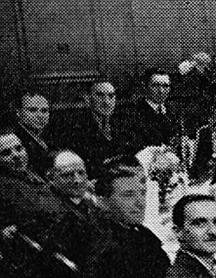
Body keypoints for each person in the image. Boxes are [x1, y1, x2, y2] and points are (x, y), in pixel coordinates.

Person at [0, 129, 93, 265]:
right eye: (6, 153)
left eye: (19, 148)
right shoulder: (6, 188)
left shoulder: (30, 174)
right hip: (65, 244)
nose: (16, 155)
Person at [92, 157, 169, 278]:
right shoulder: (111, 252)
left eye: (142, 192)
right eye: (128, 195)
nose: (140, 202)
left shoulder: (137, 232)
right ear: (103, 202)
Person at [62, 79, 130, 168]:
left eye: (111, 96)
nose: (106, 102)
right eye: (100, 96)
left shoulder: (122, 123)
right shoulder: (77, 127)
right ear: (88, 99)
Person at [124, 68, 178, 151]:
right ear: (145, 86)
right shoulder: (133, 113)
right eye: (156, 86)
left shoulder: (173, 112)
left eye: (165, 86)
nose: (161, 91)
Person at [12, 90, 56, 174]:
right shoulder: (12, 139)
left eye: (44, 111)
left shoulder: (50, 137)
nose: (40, 116)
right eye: (32, 110)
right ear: (19, 113)